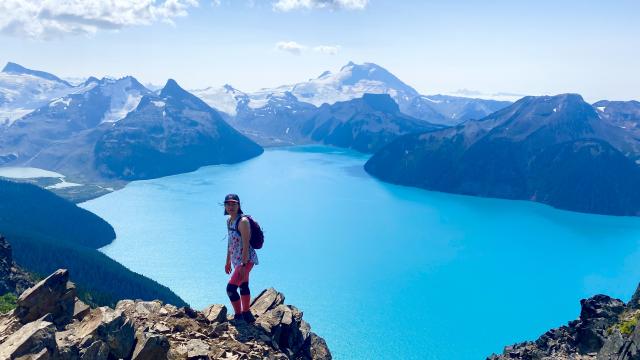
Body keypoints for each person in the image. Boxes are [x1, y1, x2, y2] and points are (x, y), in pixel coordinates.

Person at [224, 193, 259, 323]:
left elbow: (245, 244)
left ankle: (239, 316)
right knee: (243, 285)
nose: (231, 206)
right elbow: (230, 242)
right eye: (228, 204)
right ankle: (247, 313)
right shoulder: (229, 221)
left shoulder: (243, 222)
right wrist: (227, 261)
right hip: (237, 260)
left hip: (246, 260)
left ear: (239, 205)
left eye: (234, 204)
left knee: (231, 288)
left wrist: (244, 266)